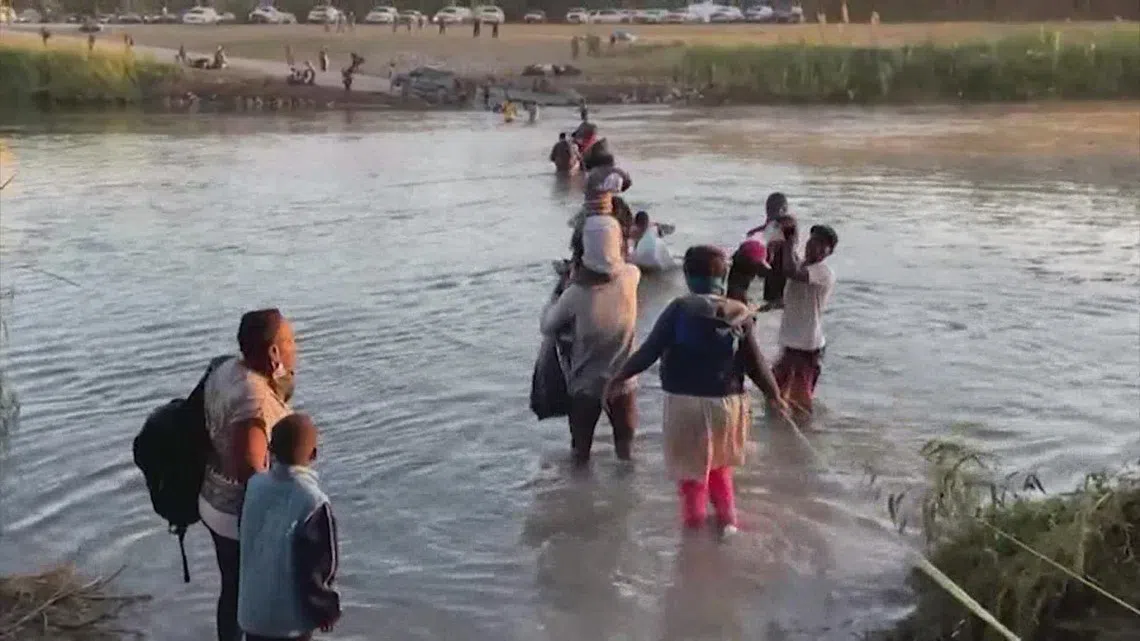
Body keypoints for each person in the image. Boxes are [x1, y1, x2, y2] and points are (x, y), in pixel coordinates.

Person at [605, 246, 787, 536]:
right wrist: (774, 395)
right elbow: (755, 363)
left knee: (691, 475)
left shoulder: (679, 309)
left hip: (686, 405)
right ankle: (728, 523)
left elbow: (649, 351)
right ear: (723, 277)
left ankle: (694, 534)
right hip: (729, 406)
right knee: (720, 468)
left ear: (687, 276)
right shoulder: (739, 313)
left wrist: (619, 378)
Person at [200, 309, 297, 641]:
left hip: (213, 500)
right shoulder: (254, 402)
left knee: (232, 588)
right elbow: (252, 472)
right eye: (290, 341)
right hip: (239, 517)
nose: (296, 348)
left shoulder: (227, 369)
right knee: (258, 597)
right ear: (273, 351)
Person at [541, 216, 640, 464]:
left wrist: (557, 293)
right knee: (626, 452)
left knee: (580, 453)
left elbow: (547, 326)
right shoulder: (631, 277)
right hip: (623, 379)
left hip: (586, 384)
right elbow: (624, 264)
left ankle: (580, 488)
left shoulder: (575, 294)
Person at [238, 413, 340, 641]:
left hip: (252, 613)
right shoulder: (313, 501)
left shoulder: (254, 487)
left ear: (270, 449)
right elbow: (320, 567)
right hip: (289, 622)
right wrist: (326, 611)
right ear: (314, 454)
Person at [774, 222, 838, 414]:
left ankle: (802, 430)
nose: (814, 246)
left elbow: (790, 271)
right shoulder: (802, 265)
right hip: (791, 343)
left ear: (829, 252)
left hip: (806, 347)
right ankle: (785, 432)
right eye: (812, 240)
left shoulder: (823, 272)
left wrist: (790, 242)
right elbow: (794, 293)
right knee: (775, 396)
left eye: (821, 244)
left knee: (799, 404)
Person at [740, 192, 792, 310]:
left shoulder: (754, 234)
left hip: (758, 289)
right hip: (780, 293)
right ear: (784, 210)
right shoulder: (788, 237)